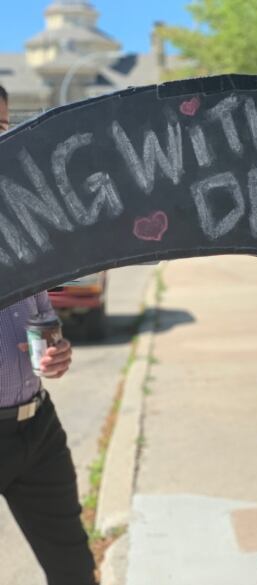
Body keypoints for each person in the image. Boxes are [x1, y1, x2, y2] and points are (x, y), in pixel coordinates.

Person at [0, 86, 97, 585]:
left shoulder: (19, 222)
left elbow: (42, 317)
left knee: (75, 571)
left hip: (36, 427)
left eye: (0, 129)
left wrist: (55, 347)